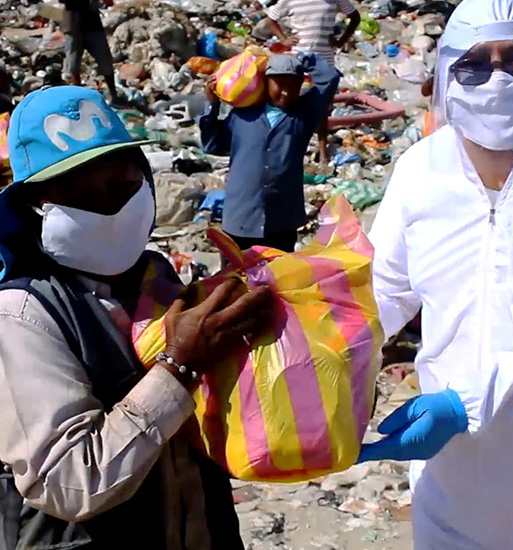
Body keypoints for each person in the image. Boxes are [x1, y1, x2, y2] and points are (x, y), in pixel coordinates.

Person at [0, 85, 271, 549]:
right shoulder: (22, 316)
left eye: (122, 185)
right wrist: (179, 366)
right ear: (35, 211)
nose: (109, 208)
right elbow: (68, 481)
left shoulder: (157, 275)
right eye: (79, 195)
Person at [363, 0, 513, 546]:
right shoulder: (420, 171)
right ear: (448, 73)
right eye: (477, 63)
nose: (498, 79)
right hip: (445, 466)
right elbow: (381, 291)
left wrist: (470, 404)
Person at [198, 53, 342, 252]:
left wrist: (303, 58)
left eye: (293, 85)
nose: (285, 92)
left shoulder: (304, 113)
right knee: (235, 279)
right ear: (265, 82)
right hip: (241, 217)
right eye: (279, 84)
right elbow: (213, 145)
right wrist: (213, 105)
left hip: (281, 222)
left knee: (276, 279)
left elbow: (330, 78)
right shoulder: (243, 115)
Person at [260, 0, 360, 65]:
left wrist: (341, 41)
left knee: (322, 95)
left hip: (325, 59)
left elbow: (355, 17)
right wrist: (283, 39)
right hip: (299, 58)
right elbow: (270, 19)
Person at [58, 0, 117, 102]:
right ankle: (79, 99)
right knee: (73, 65)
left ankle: (114, 96)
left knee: (105, 60)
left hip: (93, 23)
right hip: (73, 24)